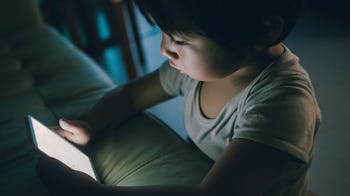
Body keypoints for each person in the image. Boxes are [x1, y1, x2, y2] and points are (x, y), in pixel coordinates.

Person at [36, 0, 321, 195]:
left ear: (264, 30)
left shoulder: (282, 105)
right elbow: (130, 96)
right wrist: (90, 124)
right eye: (162, 33)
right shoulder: (194, 71)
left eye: (180, 40)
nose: (164, 50)